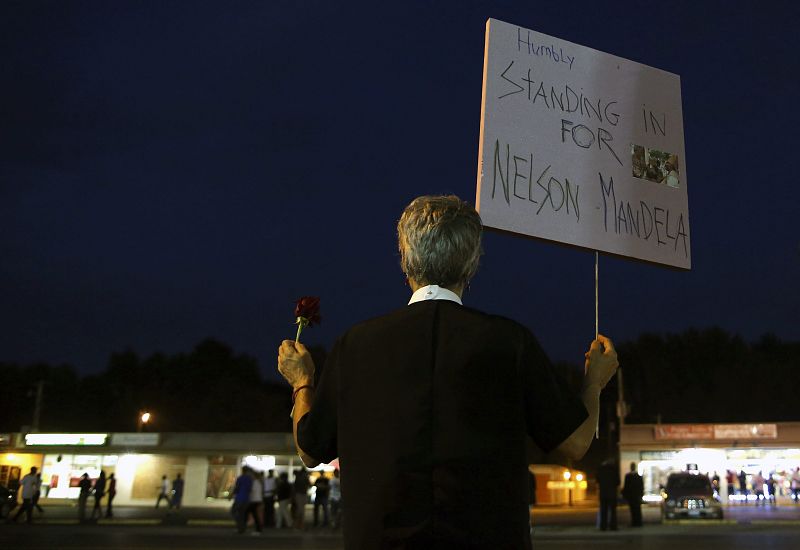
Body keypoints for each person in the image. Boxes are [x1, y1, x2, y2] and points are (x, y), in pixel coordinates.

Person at [277, 195, 619, 549]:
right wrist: (594, 381)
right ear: (472, 262)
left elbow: (310, 449)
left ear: (405, 258)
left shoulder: (356, 344)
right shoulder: (508, 341)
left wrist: (302, 382)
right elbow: (576, 442)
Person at [597, 459, 619, 531]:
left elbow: (597, 480)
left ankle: (603, 526)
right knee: (613, 511)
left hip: (603, 494)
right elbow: (618, 482)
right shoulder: (614, 470)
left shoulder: (601, 470)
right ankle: (613, 526)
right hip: (612, 494)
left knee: (603, 510)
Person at [231, 467, 254, 534]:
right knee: (243, 514)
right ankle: (242, 528)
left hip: (239, 498)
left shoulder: (240, 478)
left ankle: (240, 527)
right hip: (246, 499)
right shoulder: (250, 479)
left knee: (234, 512)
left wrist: (231, 495)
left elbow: (237, 488)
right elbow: (250, 489)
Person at [622, 462, 644, 527]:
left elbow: (626, 487)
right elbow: (641, 487)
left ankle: (634, 522)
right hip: (637, 496)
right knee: (638, 509)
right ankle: (639, 522)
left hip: (631, 496)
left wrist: (625, 495)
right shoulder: (639, 477)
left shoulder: (628, 476)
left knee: (632, 509)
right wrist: (641, 494)